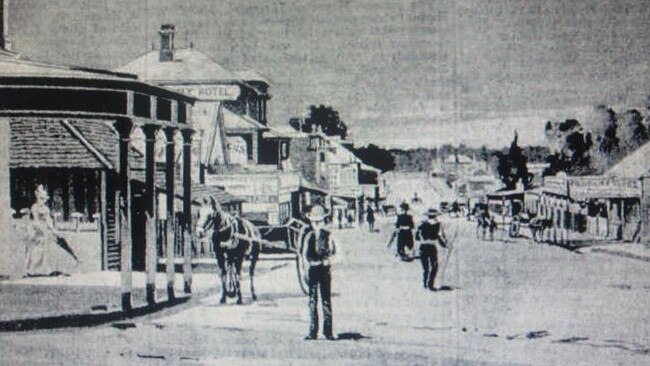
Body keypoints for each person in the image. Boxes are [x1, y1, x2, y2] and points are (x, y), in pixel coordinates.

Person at [302, 204, 338, 341]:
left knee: (326, 300)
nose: (317, 224)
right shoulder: (308, 237)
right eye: (314, 222)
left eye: (319, 221)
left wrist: (330, 261)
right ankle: (312, 332)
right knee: (312, 301)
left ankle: (328, 331)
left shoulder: (329, 236)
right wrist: (306, 269)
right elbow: (304, 255)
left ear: (324, 221)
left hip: (324, 270)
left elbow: (338, 253)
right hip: (313, 271)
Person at [415, 208, 448, 291]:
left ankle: (425, 283)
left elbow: (417, 237)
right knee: (434, 266)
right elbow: (439, 237)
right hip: (432, 247)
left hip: (423, 247)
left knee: (426, 267)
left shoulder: (422, 224)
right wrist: (444, 245)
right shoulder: (438, 225)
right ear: (435, 216)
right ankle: (430, 284)